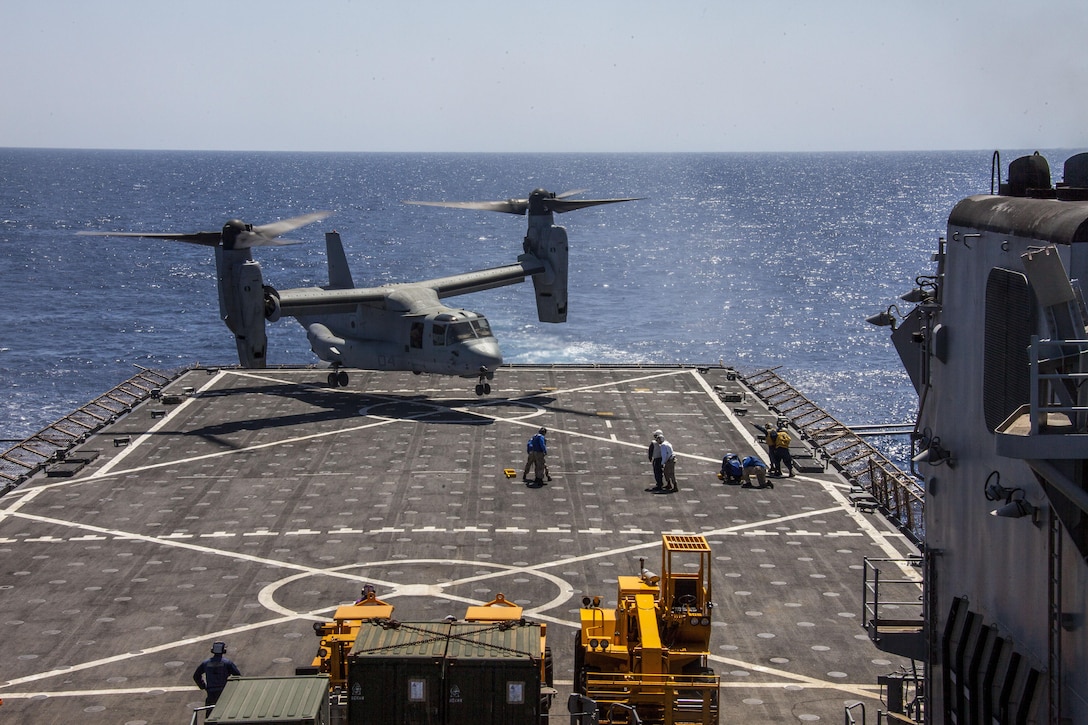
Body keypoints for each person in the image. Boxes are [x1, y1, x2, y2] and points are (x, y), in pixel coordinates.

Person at [193, 641, 241, 707]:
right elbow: (238, 676)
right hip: (224, 691)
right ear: (224, 650)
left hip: (211, 692)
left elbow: (196, 676)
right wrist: (231, 688)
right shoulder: (227, 663)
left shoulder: (205, 663)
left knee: (209, 712)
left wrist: (203, 686)